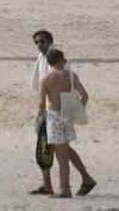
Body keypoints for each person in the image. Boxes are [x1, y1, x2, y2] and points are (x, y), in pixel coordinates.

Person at [38, 48, 95, 197]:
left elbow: (41, 105)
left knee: (61, 157)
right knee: (65, 151)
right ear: (60, 60)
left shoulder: (45, 79)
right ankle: (78, 182)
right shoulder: (71, 76)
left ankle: (64, 189)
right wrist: (77, 111)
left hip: (54, 117)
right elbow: (85, 96)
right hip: (68, 115)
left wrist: (40, 119)